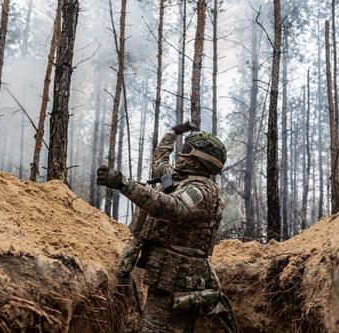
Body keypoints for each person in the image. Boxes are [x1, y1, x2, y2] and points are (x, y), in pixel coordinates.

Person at [97, 122, 239, 333]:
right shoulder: (178, 179)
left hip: (179, 281)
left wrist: (124, 183)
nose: (180, 155)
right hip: (167, 276)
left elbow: (172, 207)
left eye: (186, 151)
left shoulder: (201, 191)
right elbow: (159, 160)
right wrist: (172, 133)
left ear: (198, 159)